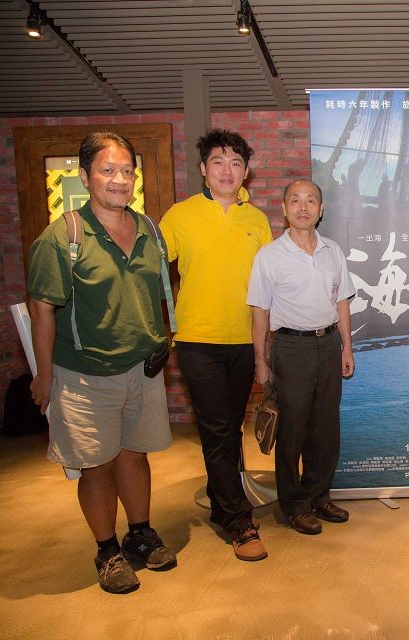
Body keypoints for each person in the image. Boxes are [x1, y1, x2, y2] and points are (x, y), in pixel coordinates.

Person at [27, 131, 175, 594]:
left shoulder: (149, 230)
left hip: (143, 369)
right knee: (95, 465)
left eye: (127, 171)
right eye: (108, 170)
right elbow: (42, 309)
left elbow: (155, 293)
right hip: (85, 375)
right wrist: (44, 375)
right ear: (85, 175)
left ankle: (140, 533)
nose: (119, 180)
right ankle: (107, 550)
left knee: (135, 455)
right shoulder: (63, 237)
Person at [159, 129, 273, 561]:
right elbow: (152, 267)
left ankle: (220, 491)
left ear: (246, 172)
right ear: (203, 169)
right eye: (218, 162)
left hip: (244, 339)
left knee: (229, 426)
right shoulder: (179, 215)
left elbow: (268, 285)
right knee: (218, 429)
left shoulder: (256, 220)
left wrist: (268, 344)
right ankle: (238, 521)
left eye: (236, 163)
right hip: (198, 340)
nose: (228, 170)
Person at [247, 180, 355, 537]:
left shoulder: (333, 251)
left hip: (328, 345)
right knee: (292, 429)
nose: (303, 207)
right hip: (290, 348)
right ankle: (294, 505)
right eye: (295, 200)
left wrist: (346, 347)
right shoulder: (269, 256)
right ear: (284, 208)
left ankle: (319, 496)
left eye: (311, 201)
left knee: (326, 428)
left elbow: (341, 302)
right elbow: (260, 312)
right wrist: (261, 361)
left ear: (321, 209)